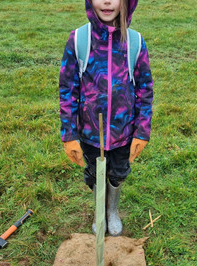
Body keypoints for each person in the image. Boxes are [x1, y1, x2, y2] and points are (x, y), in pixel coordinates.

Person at [59, 0, 153, 236]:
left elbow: (145, 89)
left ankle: (112, 211)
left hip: (125, 132)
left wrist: (142, 131)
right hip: (90, 134)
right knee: (94, 174)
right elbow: (67, 90)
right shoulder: (79, 40)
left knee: (118, 173)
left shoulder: (135, 42)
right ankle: (99, 211)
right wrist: (69, 134)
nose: (108, 2)